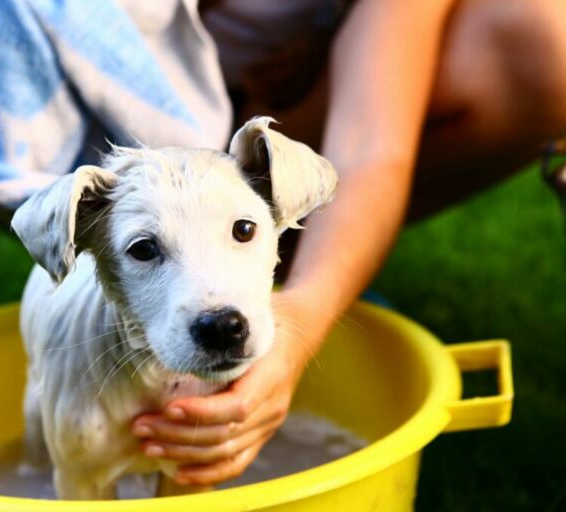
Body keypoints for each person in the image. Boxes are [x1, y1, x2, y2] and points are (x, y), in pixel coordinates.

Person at [129, 0, 566, 487]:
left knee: (547, 37)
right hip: (107, 121)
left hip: (276, 106)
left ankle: (301, 263)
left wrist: (304, 315)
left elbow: (368, 152)